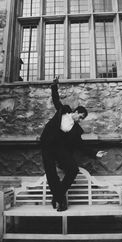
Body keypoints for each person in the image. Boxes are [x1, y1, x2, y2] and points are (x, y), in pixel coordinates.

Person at [40, 76, 106, 212]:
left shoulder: (76, 130)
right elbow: (55, 99)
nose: (80, 120)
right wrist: (54, 86)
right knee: (51, 174)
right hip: (47, 146)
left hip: (60, 149)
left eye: (82, 119)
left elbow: (80, 145)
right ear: (76, 112)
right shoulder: (63, 110)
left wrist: (94, 153)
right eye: (81, 117)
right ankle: (61, 201)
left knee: (73, 170)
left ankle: (57, 196)